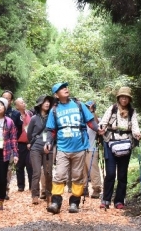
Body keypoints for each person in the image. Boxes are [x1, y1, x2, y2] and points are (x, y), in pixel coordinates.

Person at [44, 82, 99, 214]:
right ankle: (56, 203)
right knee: (59, 175)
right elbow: (51, 130)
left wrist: (99, 129)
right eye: (61, 88)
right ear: (56, 95)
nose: (65, 89)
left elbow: (90, 121)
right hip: (63, 148)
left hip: (79, 147)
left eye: (66, 87)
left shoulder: (79, 105)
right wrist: (48, 142)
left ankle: (75, 202)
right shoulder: (54, 110)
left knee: (77, 176)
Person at [98, 86, 141, 210]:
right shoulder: (112, 109)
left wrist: (137, 134)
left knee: (122, 174)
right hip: (110, 143)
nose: (124, 99)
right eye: (122, 97)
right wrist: (101, 129)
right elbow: (104, 123)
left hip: (126, 145)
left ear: (129, 99)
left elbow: (135, 126)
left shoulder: (132, 112)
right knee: (110, 173)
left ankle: (119, 200)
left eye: (126, 97)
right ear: (119, 98)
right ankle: (106, 199)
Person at [26, 94, 54, 205]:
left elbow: (53, 132)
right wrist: (34, 142)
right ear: (40, 104)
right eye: (44, 102)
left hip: (48, 146)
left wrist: (50, 143)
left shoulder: (52, 117)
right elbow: (29, 135)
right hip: (36, 147)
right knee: (36, 172)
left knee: (48, 172)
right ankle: (35, 195)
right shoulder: (33, 119)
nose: (47, 103)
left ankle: (49, 194)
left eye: (48, 102)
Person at [13, 97, 34, 191]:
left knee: (30, 165)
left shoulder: (30, 114)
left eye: (24, 102)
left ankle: (32, 186)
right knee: (20, 165)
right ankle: (20, 186)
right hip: (19, 143)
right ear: (17, 106)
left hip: (30, 143)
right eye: (21, 103)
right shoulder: (15, 115)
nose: (24, 103)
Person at [83, 100, 103, 199]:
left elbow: (99, 129)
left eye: (90, 107)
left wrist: (91, 113)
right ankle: (84, 188)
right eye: (86, 107)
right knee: (82, 170)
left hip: (92, 147)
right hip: (81, 148)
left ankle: (96, 189)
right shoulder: (81, 119)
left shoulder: (97, 120)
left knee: (93, 170)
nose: (88, 109)